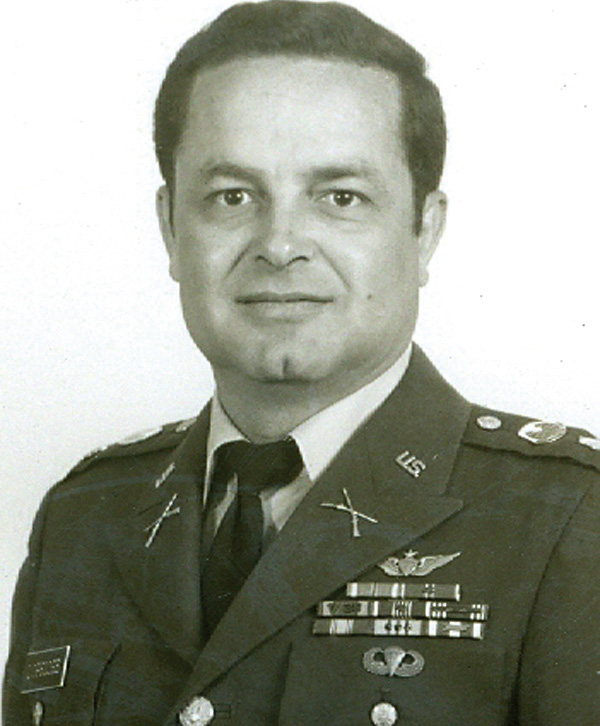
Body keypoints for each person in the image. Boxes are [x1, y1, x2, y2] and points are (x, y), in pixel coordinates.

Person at [4, 2, 600, 724]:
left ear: (424, 231)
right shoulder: (84, 518)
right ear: (170, 229)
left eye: (341, 197)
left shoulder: (568, 520)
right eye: (231, 196)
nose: (280, 245)